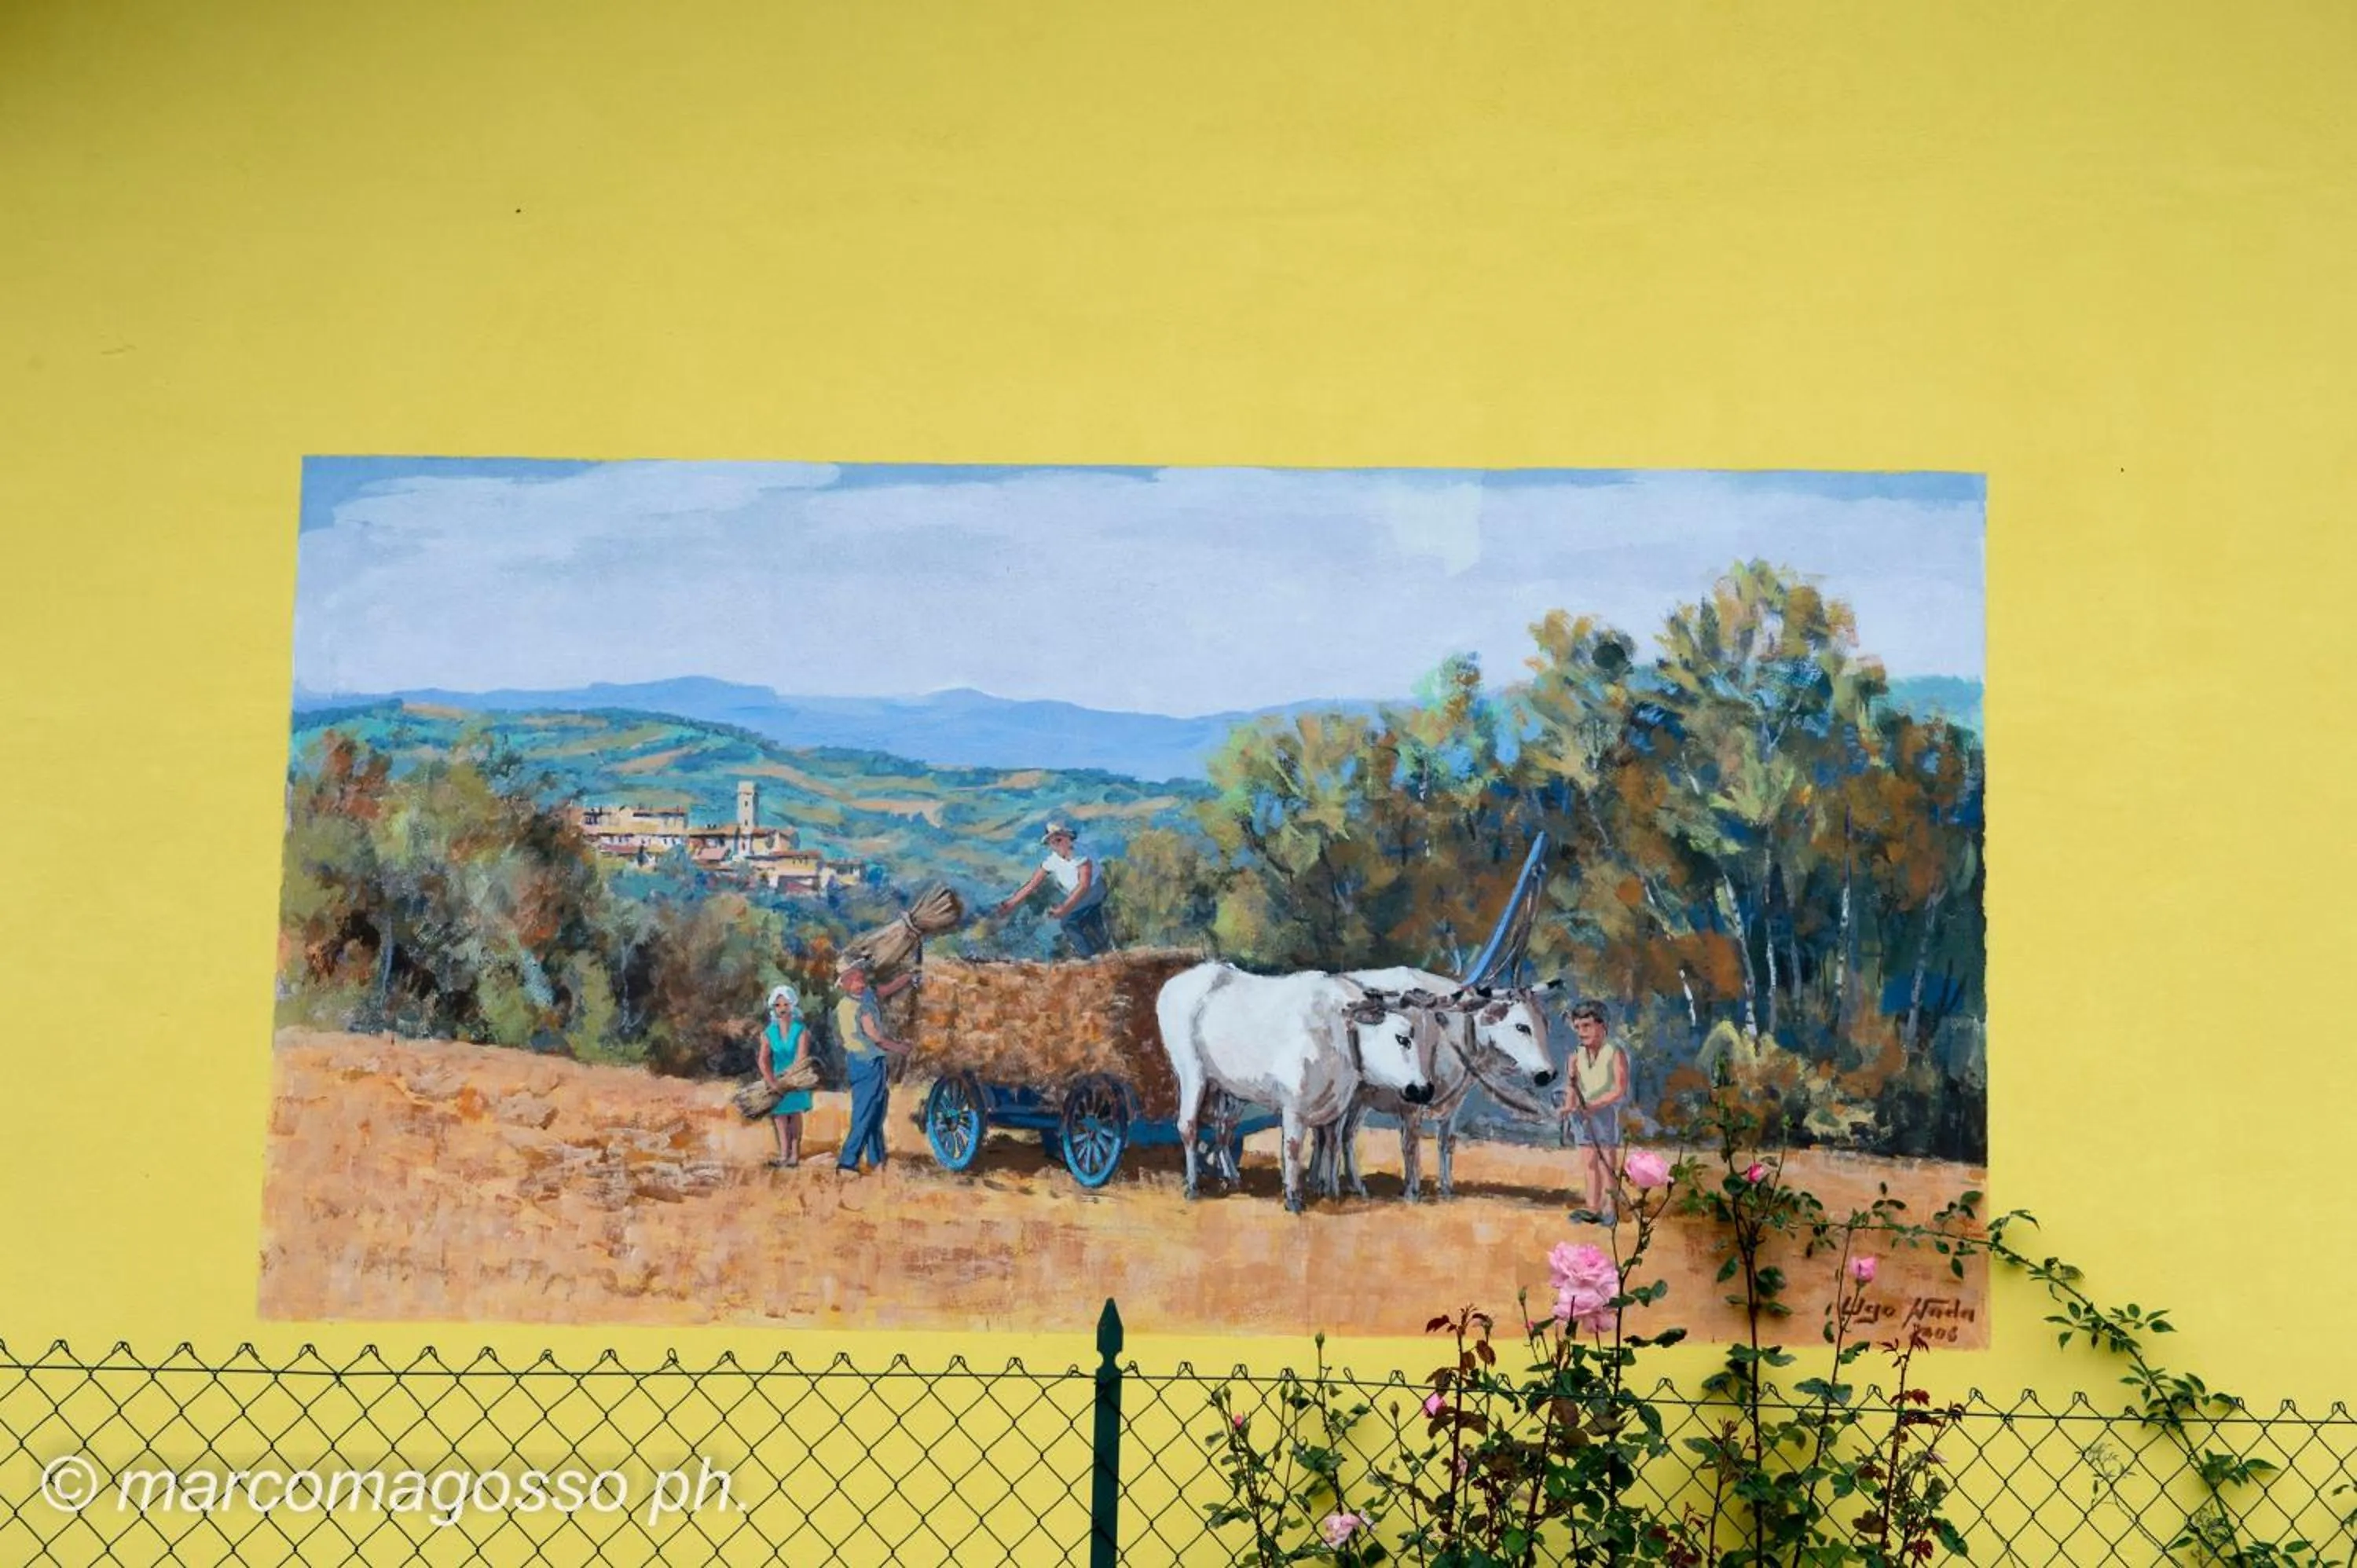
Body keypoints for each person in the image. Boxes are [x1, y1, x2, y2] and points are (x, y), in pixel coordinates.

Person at [832, 960, 914, 1177]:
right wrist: (900, 1048)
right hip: (866, 1062)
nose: (860, 983)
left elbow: (885, 990)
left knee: (876, 1111)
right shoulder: (854, 1007)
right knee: (865, 1112)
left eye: (861, 978)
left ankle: (877, 1160)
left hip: (869, 1061)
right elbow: (876, 1038)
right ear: (845, 984)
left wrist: (907, 978)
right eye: (854, 981)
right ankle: (847, 1163)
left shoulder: (866, 995)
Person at [992, 821, 1114, 958]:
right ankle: (1106, 954)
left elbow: (1084, 885)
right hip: (1078, 894)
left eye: (1059, 840)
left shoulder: (1081, 855)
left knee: (1068, 922)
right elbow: (1032, 884)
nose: (1056, 845)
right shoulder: (1052, 861)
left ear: (1069, 838)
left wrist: (1065, 908)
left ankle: (1088, 957)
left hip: (1094, 890)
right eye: (1052, 842)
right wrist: (1011, 903)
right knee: (1092, 922)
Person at [1559, 999, 1629, 1223]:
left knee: (1606, 1162)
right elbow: (1572, 1086)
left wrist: (1595, 1105)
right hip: (1581, 1115)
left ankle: (1610, 1209)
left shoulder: (1614, 1052)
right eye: (1578, 1027)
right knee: (1589, 1161)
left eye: (1587, 1026)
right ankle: (1592, 1207)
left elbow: (1618, 1089)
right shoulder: (1576, 1056)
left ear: (1602, 1025)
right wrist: (1568, 1106)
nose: (1582, 1032)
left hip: (1603, 1113)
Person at [760, 984, 812, 1168]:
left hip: (797, 1079)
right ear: (773, 1007)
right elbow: (763, 1060)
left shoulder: (801, 1030)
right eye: (778, 1005)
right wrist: (772, 1081)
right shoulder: (769, 1033)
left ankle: (794, 1155)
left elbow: (801, 1057)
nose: (782, 1009)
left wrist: (791, 1079)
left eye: (785, 1004)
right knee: (779, 1117)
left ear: (792, 1005)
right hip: (776, 1080)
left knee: (795, 1116)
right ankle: (783, 1155)